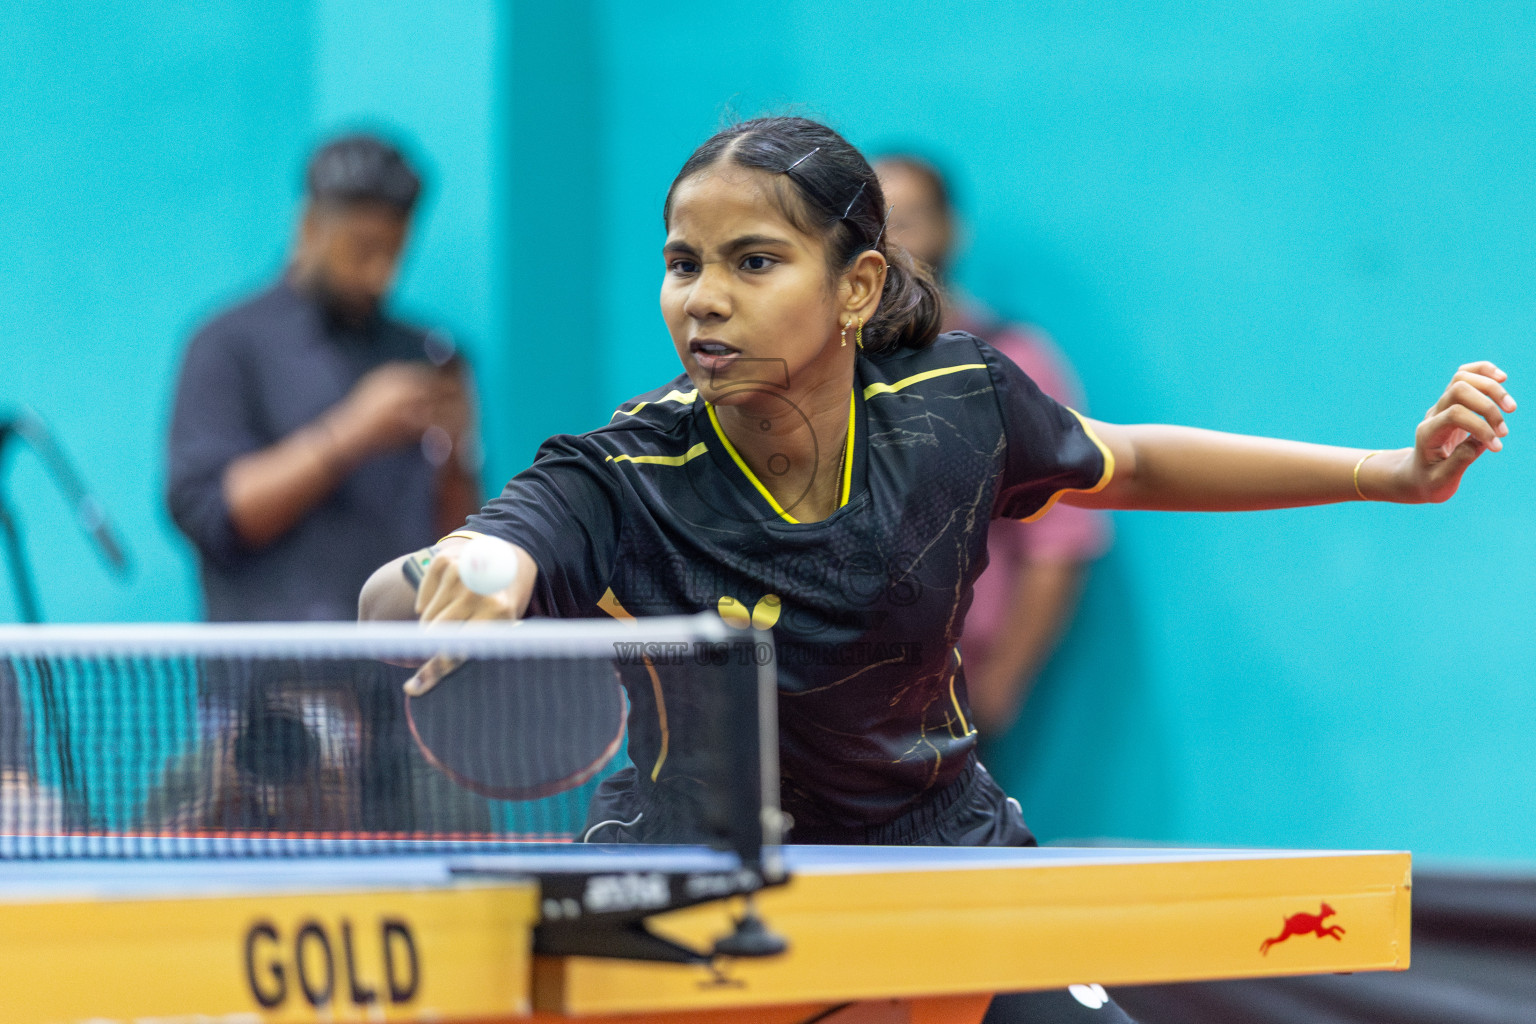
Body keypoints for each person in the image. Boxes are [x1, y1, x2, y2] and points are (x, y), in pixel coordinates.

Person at [359, 117, 1513, 1023]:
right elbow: (427, 580)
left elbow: (1137, 458)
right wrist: (473, 564)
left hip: (940, 854)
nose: (703, 296)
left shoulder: (956, 403)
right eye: (682, 262)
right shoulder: (627, 469)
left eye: (752, 261)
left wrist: (1390, 470)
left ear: (856, 288)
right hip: (699, 890)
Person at [168, 133, 479, 622]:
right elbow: (215, 515)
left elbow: (456, 544)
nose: (380, 274)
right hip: (264, 683)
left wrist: (458, 457)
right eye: (361, 250)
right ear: (310, 227)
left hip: (400, 681)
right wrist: (356, 430)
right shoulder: (227, 344)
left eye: (394, 253)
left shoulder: (427, 354)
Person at [876, 154, 1110, 733]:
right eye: (873, 224)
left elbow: (1059, 539)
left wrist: (999, 686)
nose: (892, 241)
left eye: (909, 218)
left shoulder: (1012, 362)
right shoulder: (828, 368)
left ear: (952, 229)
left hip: (948, 698)